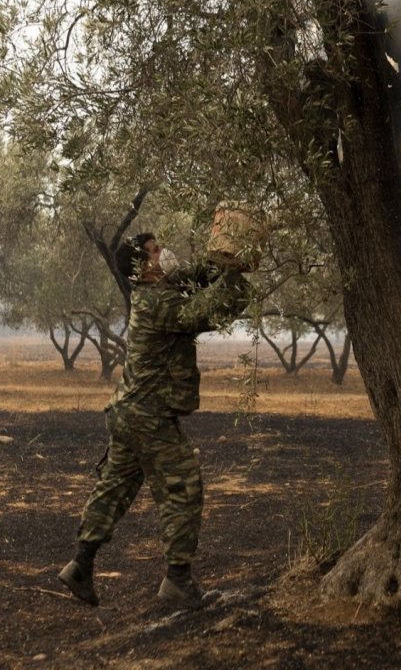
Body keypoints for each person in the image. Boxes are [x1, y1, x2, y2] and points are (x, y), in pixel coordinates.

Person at [57, 230, 254, 610]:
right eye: (153, 252)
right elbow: (208, 312)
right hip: (148, 416)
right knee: (184, 488)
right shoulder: (159, 303)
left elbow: (191, 277)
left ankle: (80, 565)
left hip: (128, 413)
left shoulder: (153, 293)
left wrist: (222, 260)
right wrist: (235, 278)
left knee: (114, 489)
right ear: (142, 268)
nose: (161, 253)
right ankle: (178, 581)